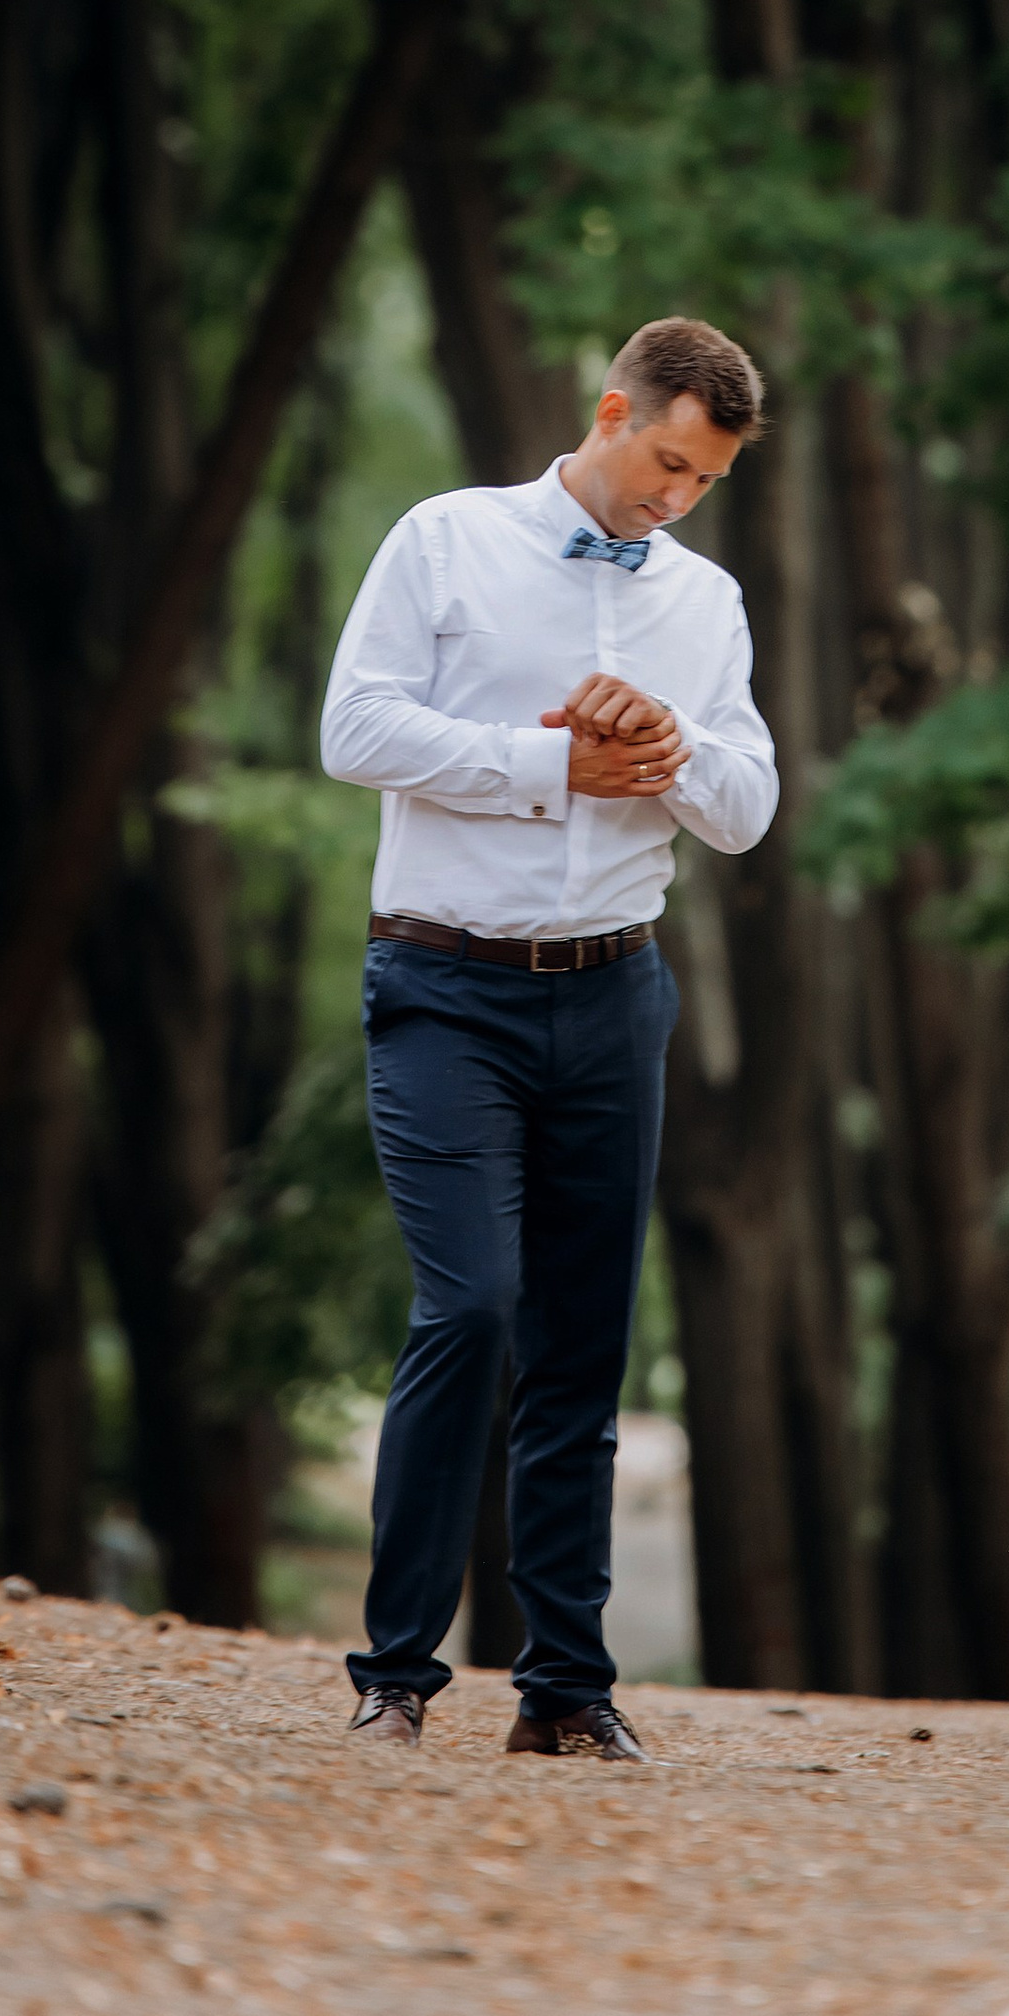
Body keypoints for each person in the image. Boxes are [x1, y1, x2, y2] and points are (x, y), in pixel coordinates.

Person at [318, 315, 779, 1758]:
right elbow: (355, 731)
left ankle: (568, 1693)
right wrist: (546, 761)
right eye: (662, 462)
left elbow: (749, 804)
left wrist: (672, 751)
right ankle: (395, 1674)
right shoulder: (444, 542)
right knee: (472, 1306)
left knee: (587, 1343)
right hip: (445, 986)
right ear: (610, 410)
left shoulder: (705, 606)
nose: (672, 499)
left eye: (701, 483)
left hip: (613, 993)